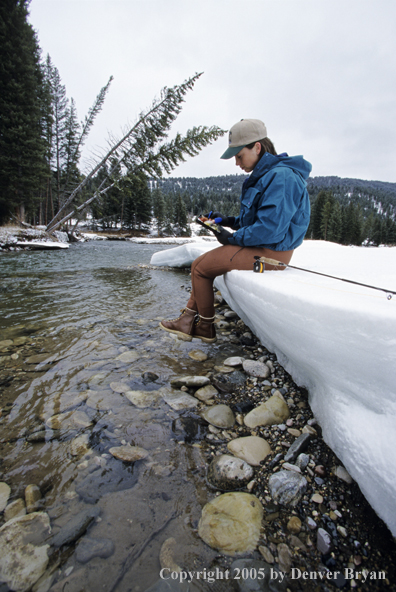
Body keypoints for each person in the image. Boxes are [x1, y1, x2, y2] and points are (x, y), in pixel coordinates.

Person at [160, 118, 312, 343]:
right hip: (263, 246)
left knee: (200, 268)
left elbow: (271, 230)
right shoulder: (268, 175)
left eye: (239, 156)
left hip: (272, 252)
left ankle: (205, 327)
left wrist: (232, 238)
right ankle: (188, 320)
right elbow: (259, 219)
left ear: (257, 147)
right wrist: (230, 221)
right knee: (201, 265)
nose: (236, 163)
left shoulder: (282, 177)